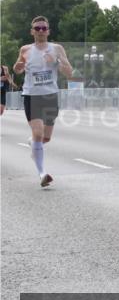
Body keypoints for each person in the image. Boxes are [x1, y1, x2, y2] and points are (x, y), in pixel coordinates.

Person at [12, 16, 75, 187]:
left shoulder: (57, 49)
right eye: (37, 28)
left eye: (44, 28)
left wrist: (56, 62)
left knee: (45, 138)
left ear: (48, 31)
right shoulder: (25, 49)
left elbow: (69, 73)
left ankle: (33, 144)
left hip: (50, 96)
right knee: (38, 133)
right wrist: (17, 67)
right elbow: (18, 68)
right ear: (32, 31)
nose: (41, 31)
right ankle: (42, 173)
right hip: (32, 95)